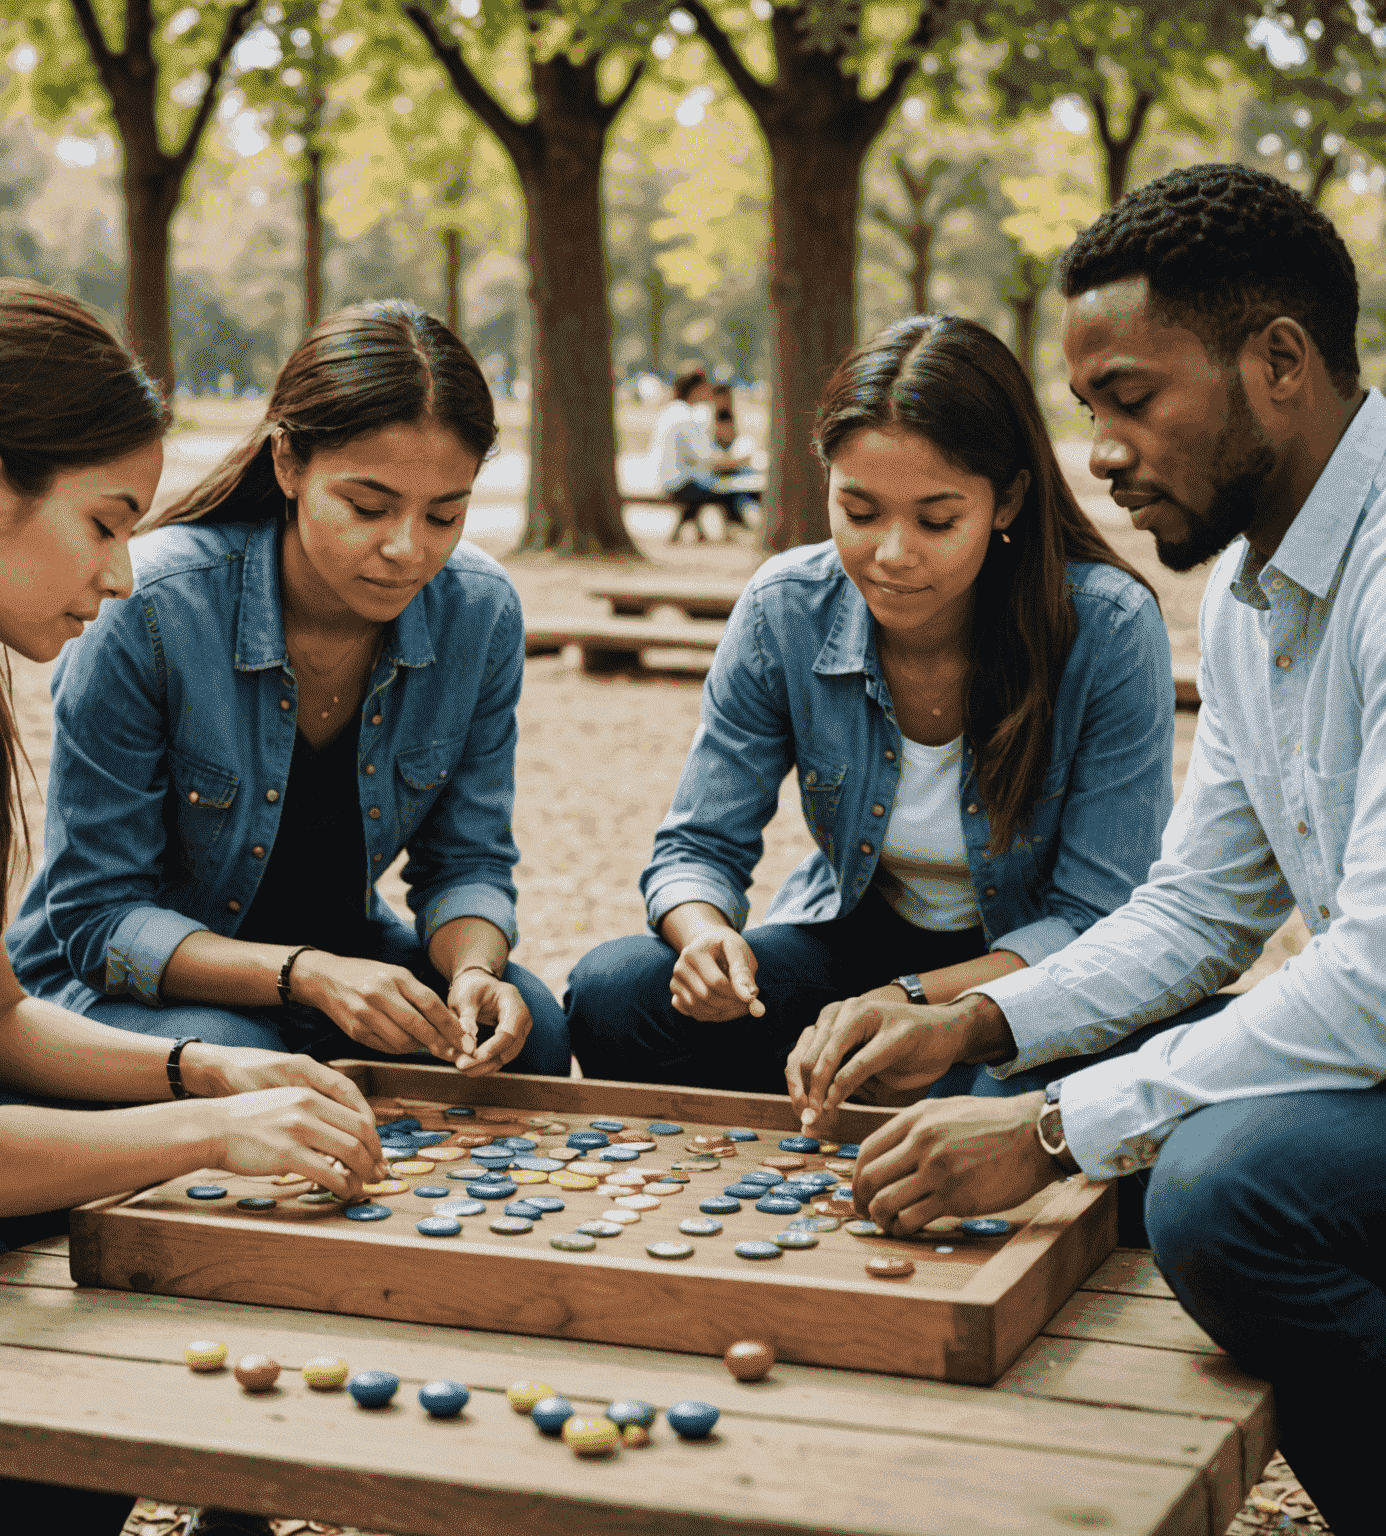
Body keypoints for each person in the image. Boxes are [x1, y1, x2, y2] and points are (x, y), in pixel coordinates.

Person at [825, 165, 1383, 1535]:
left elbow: (1374, 982)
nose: (1104, 453)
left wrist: (1054, 1123)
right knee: (1160, 1138)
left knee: (1218, 1190)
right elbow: (1198, 910)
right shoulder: (1254, 594)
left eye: (1134, 399)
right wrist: (970, 1018)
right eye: (1091, 413)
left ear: (1279, 364)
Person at [0, 278, 385, 1536]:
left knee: (113, 1233)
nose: (125, 572)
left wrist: (207, 1077)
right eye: (103, 522)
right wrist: (219, 1139)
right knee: (114, 1242)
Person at [566, 315, 1176, 1133]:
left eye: (935, 520)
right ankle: (867, 1102)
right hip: (849, 948)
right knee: (613, 994)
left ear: (1010, 499)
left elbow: (1098, 920)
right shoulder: (786, 608)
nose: (891, 554)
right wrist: (704, 934)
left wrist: (918, 1004)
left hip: (1019, 981)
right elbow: (697, 847)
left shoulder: (1105, 628)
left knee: (1077, 1087)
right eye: (858, 511)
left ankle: (915, 1103)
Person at [7, 300, 570, 1081]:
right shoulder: (155, 608)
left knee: (526, 1035)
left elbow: (466, 860)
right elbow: (98, 921)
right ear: (288, 463)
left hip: (335, 971)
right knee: (247, 1059)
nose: (407, 550)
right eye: (367, 507)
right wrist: (306, 973)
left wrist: (475, 972)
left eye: (445, 515)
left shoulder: (478, 611)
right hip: (120, 991)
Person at [651, 369, 734, 543]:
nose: (709, 391)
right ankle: (724, 534)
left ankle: (693, 533)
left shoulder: (669, 411)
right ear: (696, 389)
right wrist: (732, 461)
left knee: (703, 490)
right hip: (679, 481)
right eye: (705, 387)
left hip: (667, 478)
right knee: (725, 493)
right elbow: (703, 456)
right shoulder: (685, 416)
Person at [709, 383, 758, 535]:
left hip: (734, 471)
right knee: (737, 495)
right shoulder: (707, 419)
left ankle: (743, 521)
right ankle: (744, 522)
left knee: (747, 486)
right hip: (719, 474)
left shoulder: (732, 416)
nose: (727, 400)